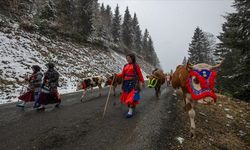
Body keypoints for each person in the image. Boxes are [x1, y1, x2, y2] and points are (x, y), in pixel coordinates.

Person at [115, 53, 145, 118]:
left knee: (131, 96)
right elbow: (123, 74)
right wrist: (117, 75)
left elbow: (140, 75)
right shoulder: (125, 65)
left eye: (129, 58)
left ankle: (130, 111)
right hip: (126, 82)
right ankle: (131, 107)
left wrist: (142, 82)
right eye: (127, 58)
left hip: (133, 82)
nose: (127, 59)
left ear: (132, 58)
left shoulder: (136, 66)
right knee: (126, 96)